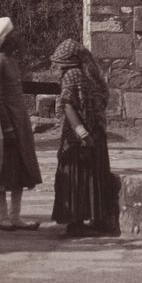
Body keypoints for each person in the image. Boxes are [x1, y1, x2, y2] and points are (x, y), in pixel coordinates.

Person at [50, 38, 115, 237]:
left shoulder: (71, 75)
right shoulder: (92, 75)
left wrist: (81, 133)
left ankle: (75, 222)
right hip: (96, 130)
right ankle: (96, 218)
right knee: (93, 177)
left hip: (78, 137)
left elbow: (68, 105)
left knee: (75, 177)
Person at [0, 16, 42, 231]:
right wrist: (6, 126)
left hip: (19, 122)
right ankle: (2, 216)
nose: (17, 38)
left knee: (19, 169)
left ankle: (15, 215)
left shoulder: (9, 60)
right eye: (13, 34)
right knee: (2, 168)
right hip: (6, 124)